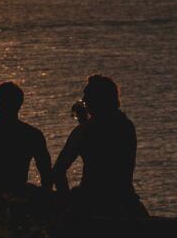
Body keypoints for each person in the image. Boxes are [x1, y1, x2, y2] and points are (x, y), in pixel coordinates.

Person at [52, 74, 147, 218]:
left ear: (97, 100)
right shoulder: (127, 126)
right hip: (124, 200)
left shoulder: (84, 131)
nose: (83, 100)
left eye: (87, 96)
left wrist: (66, 201)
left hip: (91, 202)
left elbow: (58, 171)